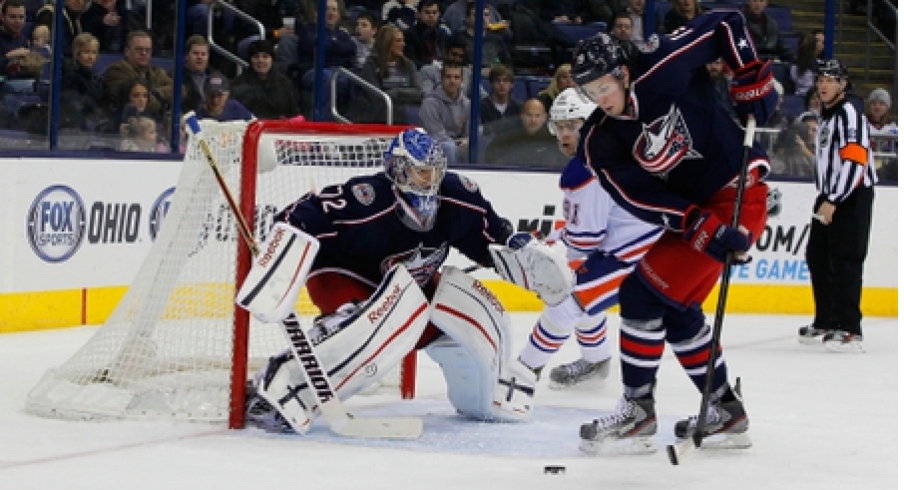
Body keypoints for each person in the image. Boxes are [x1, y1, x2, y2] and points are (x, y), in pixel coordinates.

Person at [240, 128, 566, 433]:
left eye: (435, 171)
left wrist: (521, 251)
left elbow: (493, 237)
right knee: (381, 320)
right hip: (345, 276)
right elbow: (301, 215)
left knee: (470, 304)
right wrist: (282, 250)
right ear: (397, 170)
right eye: (420, 171)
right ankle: (278, 385)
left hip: (409, 288)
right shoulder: (367, 198)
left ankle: (488, 390)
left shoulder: (456, 196)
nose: (430, 180)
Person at [569, 10, 778, 454]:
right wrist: (691, 222)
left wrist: (749, 72)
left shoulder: (660, 64)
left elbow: (727, 23)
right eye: (589, 91)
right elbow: (638, 195)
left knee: (643, 294)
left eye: (604, 86)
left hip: (737, 195)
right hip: (701, 212)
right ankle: (725, 409)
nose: (600, 98)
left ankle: (638, 410)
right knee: (678, 310)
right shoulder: (600, 140)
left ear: (622, 73)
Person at [517, 88, 662, 389]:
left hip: (643, 254)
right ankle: (596, 361)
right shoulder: (606, 149)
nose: (564, 134)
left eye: (573, 125)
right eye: (559, 126)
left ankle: (520, 375)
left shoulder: (589, 168)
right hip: (640, 243)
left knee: (567, 301)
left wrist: (543, 251)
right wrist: (550, 242)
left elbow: (584, 242)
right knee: (577, 286)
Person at [798, 59, 877, 353]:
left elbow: (856, 161)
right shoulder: (827, 115)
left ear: (842, 85)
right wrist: (826, 196)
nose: (822, 85)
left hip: (851, 196)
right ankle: (827, 319)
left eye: (830, 80)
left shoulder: (849, 113)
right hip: (830, 195)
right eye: (820, 79)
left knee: (846, 260)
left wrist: (834, 199)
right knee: (817, 255)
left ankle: (850, 328)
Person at [348, 23, 422, 124]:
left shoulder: (409, 65)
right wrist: (404, 95)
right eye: (398, 41)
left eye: (403, 40)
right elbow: (376, 97)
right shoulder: (371, 64)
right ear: (387, 43)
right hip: (381, 111)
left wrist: (395, 93)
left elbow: (419, 93)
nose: (403, 44)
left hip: (405, 107)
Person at [103, 29, 173, 125]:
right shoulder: (117, 71)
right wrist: (162, 101)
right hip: (125, 126)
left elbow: (180, 90)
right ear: (127, 51)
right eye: (139, 49)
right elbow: (143, 104)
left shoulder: (155, 71)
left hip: (152, 126)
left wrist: (157, 93)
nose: (144, 53)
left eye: (147, 50)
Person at [231, 39, 299, 120]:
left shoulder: (285, 85)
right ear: (250, 60)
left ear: (272, 59)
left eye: (265, 56)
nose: (260, 61)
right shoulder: (238, 85)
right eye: (256, 56)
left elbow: (294, 115)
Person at [419, 61, 470, 164]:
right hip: (434, 148)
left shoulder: (468, 104)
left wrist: (469, 140)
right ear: (441, 79)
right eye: (448, 77)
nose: (452, 81)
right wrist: (457, 144)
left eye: (456, 77)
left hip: (460, 145)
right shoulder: (430, 103)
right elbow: (436, 134)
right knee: (449, 147)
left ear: (461, 80)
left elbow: (473, 131)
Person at [485, 98, 560, 166]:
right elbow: (492, 158)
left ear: (544, 118)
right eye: (529, 115)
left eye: (537, 116)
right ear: (522, 116)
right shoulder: (509, 136)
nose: (533, 120)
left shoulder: (552, 139)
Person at [60, 32, 108, 131]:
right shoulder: (69, 76)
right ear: (77, 54)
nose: (90, 57)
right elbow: (74, 104)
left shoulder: (96, 79)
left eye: (94, 52)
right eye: (86, 52)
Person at [452, 2, 510, 78]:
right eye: (476, 15)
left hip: (493, 79)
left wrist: (494, 70)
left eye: (486, 15)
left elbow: (507, 64)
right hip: (466, 78)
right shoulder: (458, 38)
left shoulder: (497, 39)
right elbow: (453, 63)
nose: (482, 18)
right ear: (468, 18)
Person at [404, 0, 451, 69]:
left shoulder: (443, 35)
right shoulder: (409, 35)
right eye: (427, 12)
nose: (431, 16)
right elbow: (410, 61)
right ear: (418, 14)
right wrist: (432, 65)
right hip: (421, 72)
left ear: (438, 14)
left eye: (434, 12)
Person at [479, 63, 522, 137]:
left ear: (512, 84)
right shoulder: (481, 106)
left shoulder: (520, 107)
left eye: (505, 81)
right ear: (491, 83)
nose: (501, 84)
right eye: (497, 81)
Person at [180, 35, 211, 115]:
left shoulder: (214, 77)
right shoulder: (176, 78)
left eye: (203, 54)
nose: (199, 57)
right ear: (186, 56)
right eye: (195, 53)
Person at [0, 0, 29, 79]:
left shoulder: (23, 40)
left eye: (21, 17)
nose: (17, 21)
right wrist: (9, 56)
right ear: (2, 17)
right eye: (13, 17)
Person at [790, 31, 822, 96]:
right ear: (814, 48)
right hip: (807, 97)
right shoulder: (818, 65)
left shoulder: (794, 62)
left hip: (803, 96)